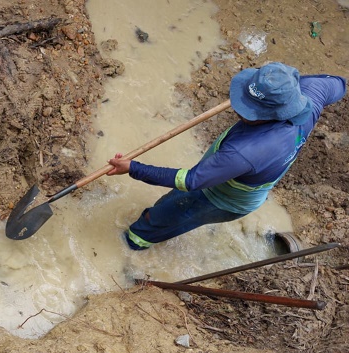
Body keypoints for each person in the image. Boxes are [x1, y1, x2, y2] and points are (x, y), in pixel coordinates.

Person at [106, 62, 346, 250]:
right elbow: (338, 83)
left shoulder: (245, 151)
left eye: (249, 108)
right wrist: (283, 86)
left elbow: (189, 181)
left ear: (274, 113)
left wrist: (133, 168)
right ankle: (158, 225)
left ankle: (130, 247)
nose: (238, 107)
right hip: (223, 177)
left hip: (219, 199)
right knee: (167, 208)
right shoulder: (310, 97)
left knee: (155, 221)